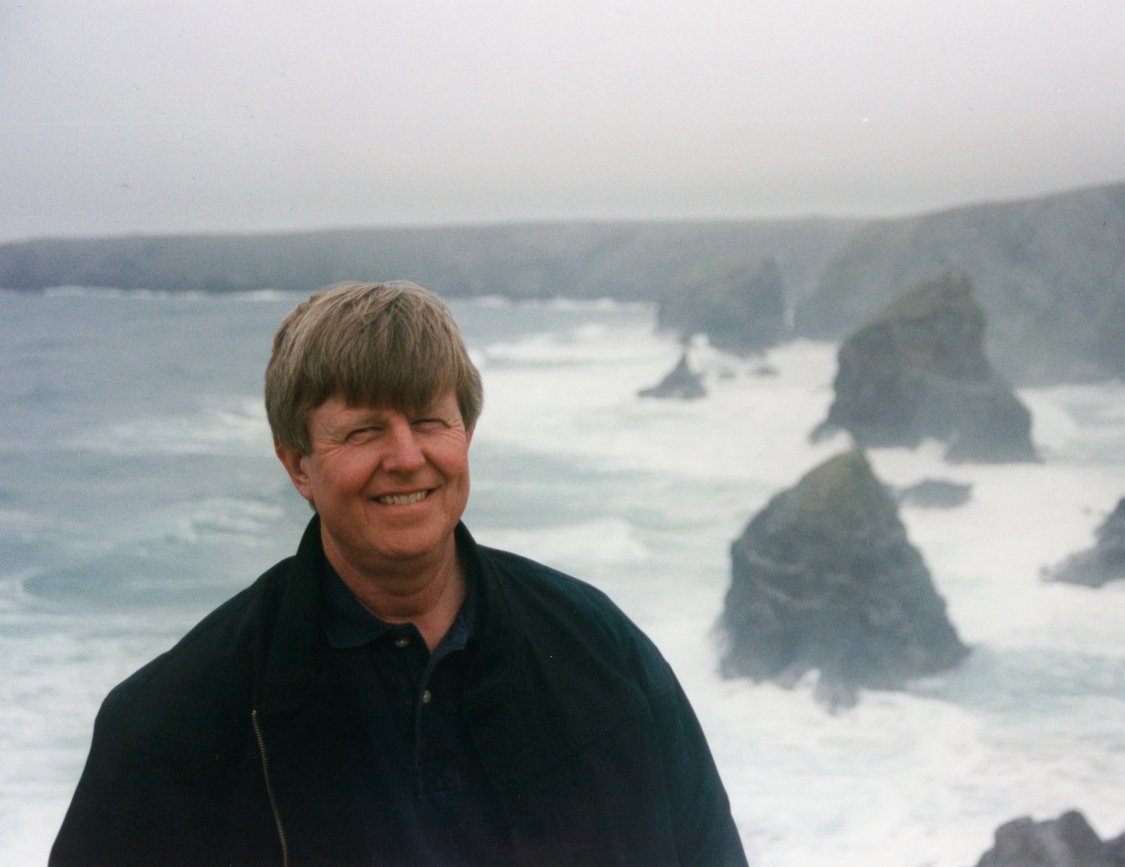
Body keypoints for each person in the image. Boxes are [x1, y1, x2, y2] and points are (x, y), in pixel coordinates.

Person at [51, 281, 748, 866]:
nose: (408, 457)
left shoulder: (601, 646)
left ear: (466, 434)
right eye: (363, 431)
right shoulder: (174, 722)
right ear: (298, 465)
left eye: (429, 420)